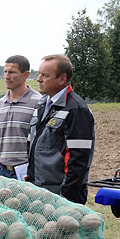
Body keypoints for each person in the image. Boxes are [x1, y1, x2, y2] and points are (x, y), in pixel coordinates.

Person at [27, 54, 95, 204]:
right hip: (39, 191)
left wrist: (66, 199)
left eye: (45, 75)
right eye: (39, 74)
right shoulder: (43, 104)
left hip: (60, 196)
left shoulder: (76, 109)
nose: (38, 79)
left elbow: (78, 160)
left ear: (62, 79)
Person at [0, 55, 41, 180]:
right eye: (5, 72)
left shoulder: (39, 103)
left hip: (27, 173)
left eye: (12, 72)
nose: (7, 76)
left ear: (26, 75)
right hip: (3, 172)